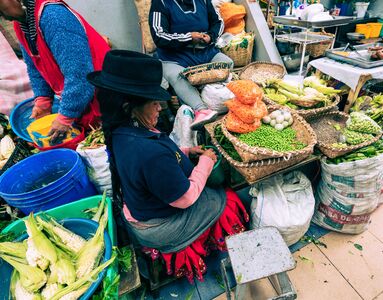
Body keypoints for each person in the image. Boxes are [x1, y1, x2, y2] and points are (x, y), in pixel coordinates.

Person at [88, 50, 248, 282]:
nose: (160, 108)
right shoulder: (148, 152)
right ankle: (217, 250)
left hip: (142, 209)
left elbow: (151, 166)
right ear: (129, 107)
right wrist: (205, 161)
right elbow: (186, 198)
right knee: (226, 199)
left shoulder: (121, 131)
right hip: (160, 226)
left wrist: (185, 152)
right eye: (154, 103)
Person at [0, 0, 110, 143]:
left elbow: (80, 75)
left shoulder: (53, 17)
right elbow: (34, 67)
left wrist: (65, 116)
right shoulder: (22, 24)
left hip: (105, 97)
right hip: (85, 99)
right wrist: (43, 99)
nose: (2, 17)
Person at [149, 0, 233, 129]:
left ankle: (207, 94)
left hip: (205, 53)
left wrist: (211, 36)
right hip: (174, 57)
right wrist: (188, 37)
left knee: (227, 63)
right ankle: (202, 110)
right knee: (177, 76)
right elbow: (159, 36)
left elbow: (218, 22)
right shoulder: (161, 3)